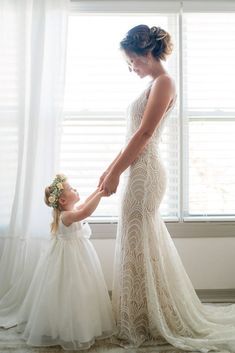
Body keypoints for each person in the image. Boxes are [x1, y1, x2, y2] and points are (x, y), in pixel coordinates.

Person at [99, 24, 235, 352]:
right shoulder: (153, 83)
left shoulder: (165, 82)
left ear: (148, 53)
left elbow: (145, 135)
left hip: (146, 174)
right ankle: (143, 312)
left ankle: (149, 318)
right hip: (137, 170)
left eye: (133, 60)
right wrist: (110, 169)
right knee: (139, 242)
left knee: (139, 241)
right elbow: (133, 134)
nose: (131, 67)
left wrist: (117, 172)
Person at [17, 174, 116, 350]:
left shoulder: (69, 211)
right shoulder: (66, 216)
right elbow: (86, 212)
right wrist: (101, 196)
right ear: (62, 200)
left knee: (82, 291)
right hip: (70, 261)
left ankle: (81, 322)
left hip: (78, 256)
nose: (75, 189)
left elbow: (84, 204)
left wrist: (99, 190)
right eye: (71, 189)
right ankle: (68, 327)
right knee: (71, 291)